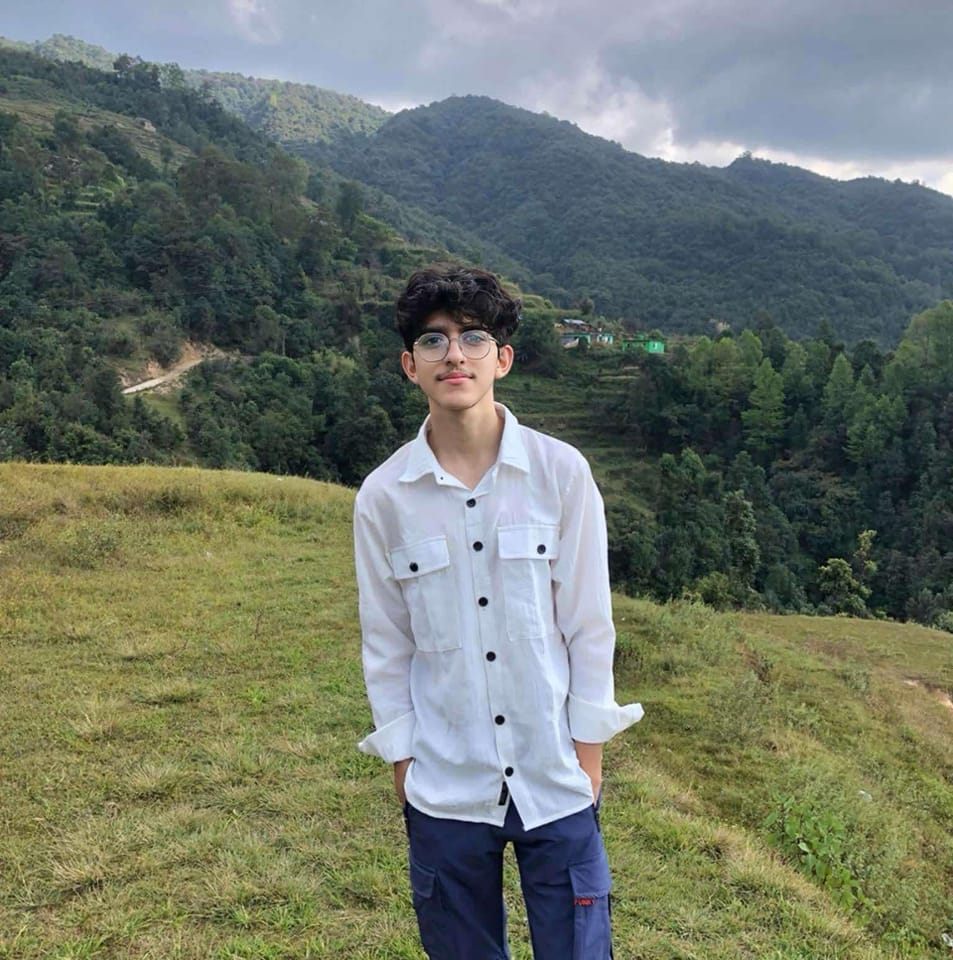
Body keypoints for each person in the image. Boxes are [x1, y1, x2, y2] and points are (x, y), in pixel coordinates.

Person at [353, 263, 643, 959]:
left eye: (473, 338)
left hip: (555, 775)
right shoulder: (384, 498)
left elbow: (588, 626)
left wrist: (587, 758)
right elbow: (386, 646)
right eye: (433, 340)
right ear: (410, 366)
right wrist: (404, 766)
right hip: (444, 784)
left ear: (502, 359)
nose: (454, 355)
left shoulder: (560, 473)